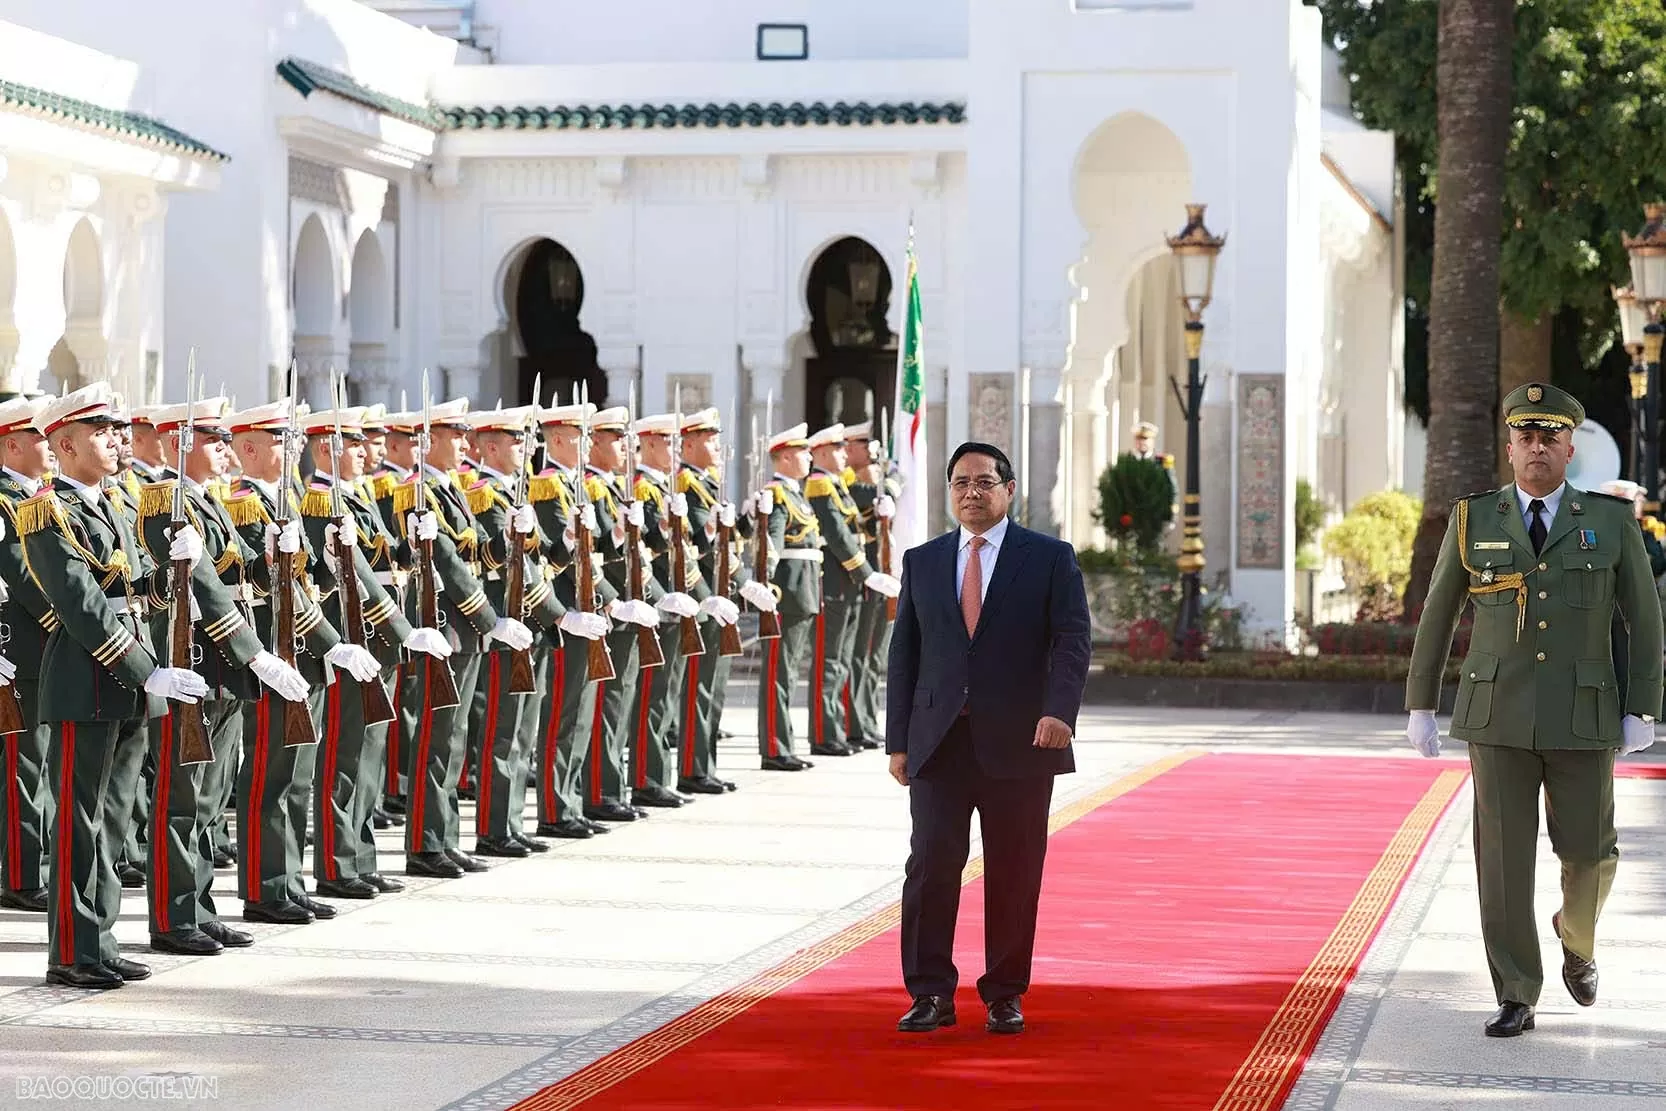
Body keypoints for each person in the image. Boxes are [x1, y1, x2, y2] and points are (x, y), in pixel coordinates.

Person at [1405, 382, 1662, 1038]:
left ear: (1571, 449)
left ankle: (1577, 935)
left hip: (1584, 715)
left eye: (1551, 437)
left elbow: (1645, 619)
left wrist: (1642, 707)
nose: (1537, 448)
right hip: (1497, 715)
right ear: (1510, 447)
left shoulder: (1609, 522)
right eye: (1526, 437)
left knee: (1592, 853)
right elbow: (1439, 613)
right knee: (1503, 862)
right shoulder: (1474, 519)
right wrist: (1421, 703)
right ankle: (1517, 990)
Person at [886, 440, 1091, 1036]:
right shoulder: (923, 561)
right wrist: (898, 741)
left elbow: (1072, 640)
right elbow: (905, 656)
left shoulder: (1049, 558)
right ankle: (929, 993)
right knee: (930, 867)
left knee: (1014, 870)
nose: (971, 493)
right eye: (960, 483)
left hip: (1023, 742)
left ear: (1009, 490)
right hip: (938, 743)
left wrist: (1060, 712)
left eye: (983, 482)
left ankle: (1004, 993)